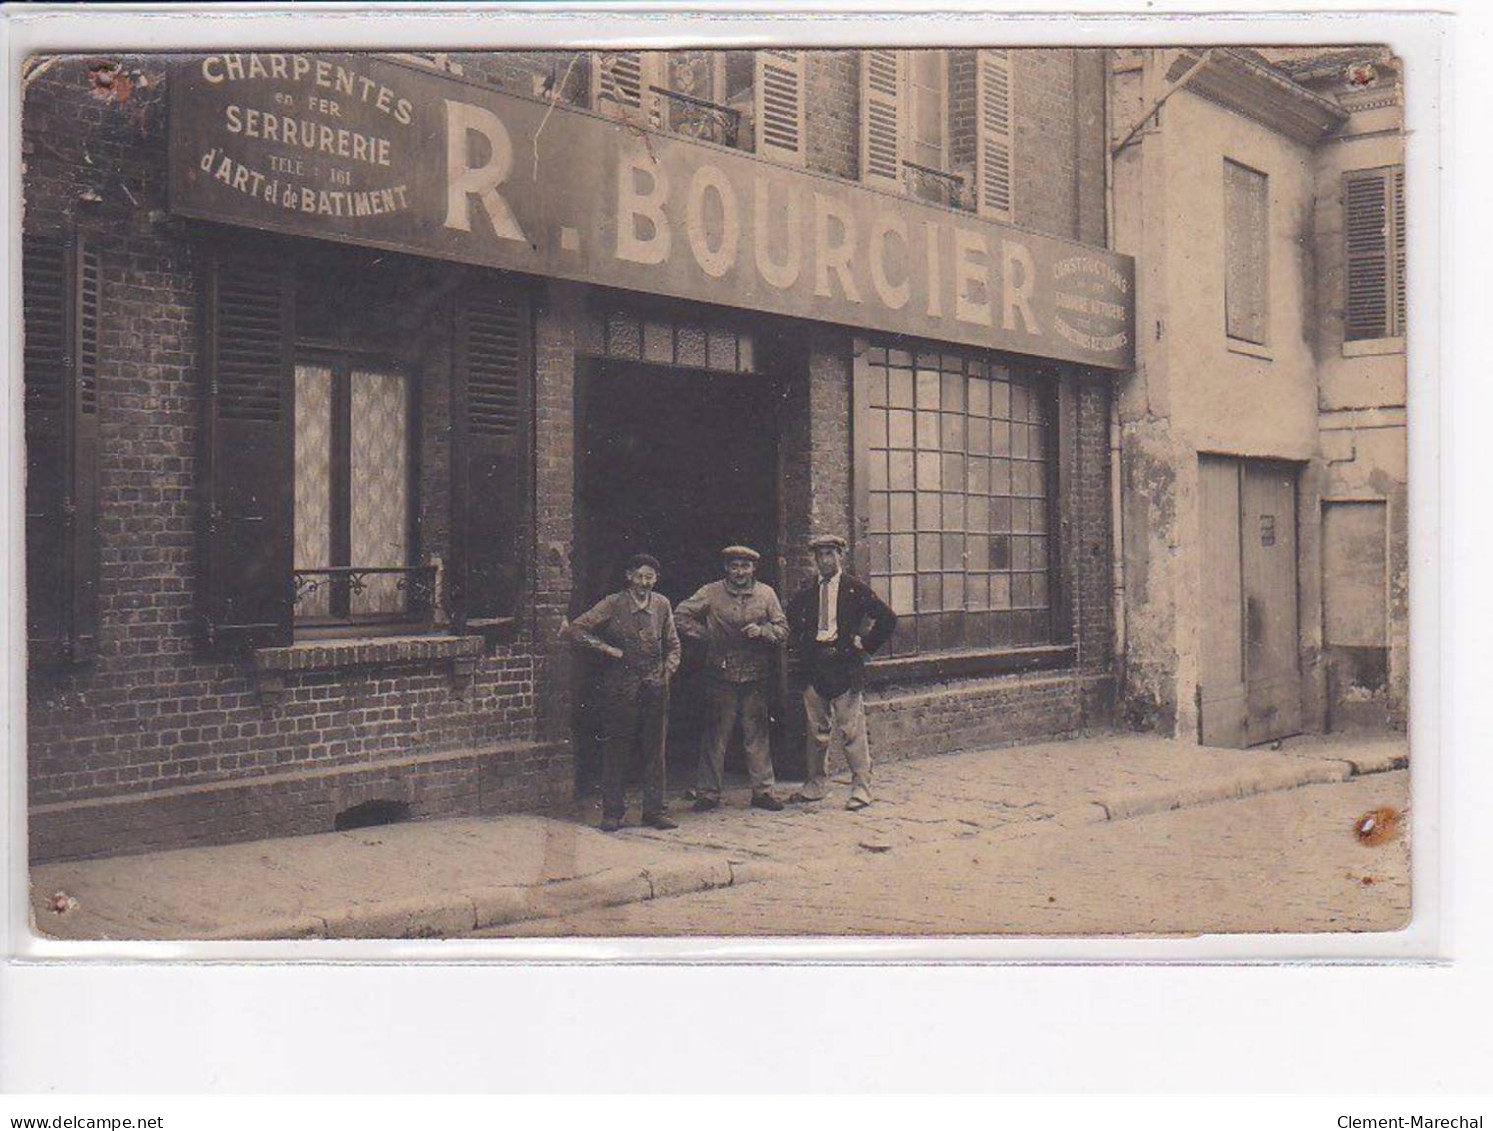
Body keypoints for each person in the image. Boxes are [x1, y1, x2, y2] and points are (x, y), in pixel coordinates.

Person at [565, 553, 681, 832]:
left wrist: (667, 670)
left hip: (655, 686)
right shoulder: (614, 603)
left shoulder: (662, 605)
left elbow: (674, 645)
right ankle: (612, 812)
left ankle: (654, 811)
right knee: (617, 748)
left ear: (656, 579)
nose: (644, 582)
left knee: (656, 751)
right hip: (621, 686)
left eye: (650, 577)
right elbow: (577, 629)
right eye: (639, 576)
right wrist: (607, 649)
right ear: (629, 577)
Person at [786, 534, 897, 811]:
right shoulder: (807, 591)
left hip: (845, 666)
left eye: (830, 554)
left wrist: (866, 644)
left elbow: (887, 618)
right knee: (816, 732)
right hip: (815, 667)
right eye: (820, 555)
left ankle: (861, 789)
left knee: (852, 731)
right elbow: (793, 623)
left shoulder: (854, 589)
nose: (824, 560)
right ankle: (814, 786)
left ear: (841, 556)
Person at [675, 545, 789, 813]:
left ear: (754, 569)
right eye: (735, 566)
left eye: (745, 566)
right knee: (715, 734)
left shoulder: (766, 594)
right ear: (727, 568)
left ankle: (763, 791)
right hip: (720, 672)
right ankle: (708, 792)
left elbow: (783, 628)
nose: (740, 572)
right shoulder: (711, 592)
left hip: (755, 674)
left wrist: (763, 631)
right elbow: (681, 615)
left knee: (756, 734)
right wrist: (706, 636)